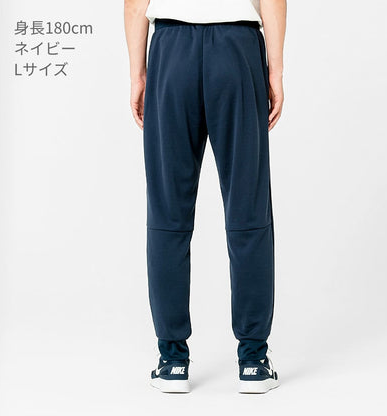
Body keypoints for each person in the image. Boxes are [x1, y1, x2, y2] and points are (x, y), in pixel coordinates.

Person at [124, 0, 286, 394]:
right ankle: (253, 361)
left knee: (168, 209)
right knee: (248, 206)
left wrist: (138, 74)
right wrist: (275, 71)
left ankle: (172, 361)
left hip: (171, 49)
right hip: (237, 49)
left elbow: (134, 5)